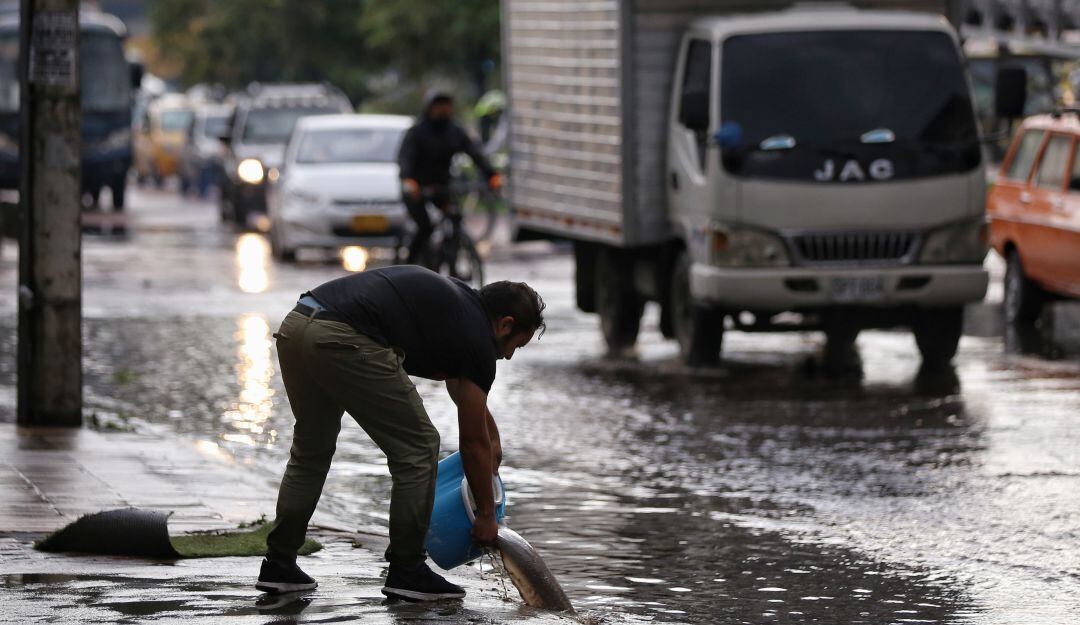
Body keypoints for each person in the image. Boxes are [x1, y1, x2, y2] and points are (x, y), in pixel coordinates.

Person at [255, 265, 545, 602]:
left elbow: (463, 390)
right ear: (505, 324)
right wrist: (485, 516)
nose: (507, 355)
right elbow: (472, 443)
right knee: (419, 448)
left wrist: (491, 435)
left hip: (298, 325)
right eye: (515, 346)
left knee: (311, 450)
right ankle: (407, 570)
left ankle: (279, 564)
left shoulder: (458, 307)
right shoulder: (478, 340)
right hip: (342, 337)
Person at [397, 91, 502, 266]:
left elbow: (475, 153)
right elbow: (404, 159)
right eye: (439, 107)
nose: (444, 111)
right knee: (425, 226)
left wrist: (492, 175)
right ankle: (410, 264)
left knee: (454, 218)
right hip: (417, 189)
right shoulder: (416, 133)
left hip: (442, 187)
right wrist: (408, 180)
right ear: (430, 108)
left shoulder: (455, 131)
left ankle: (451, 260)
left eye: (447, 106)